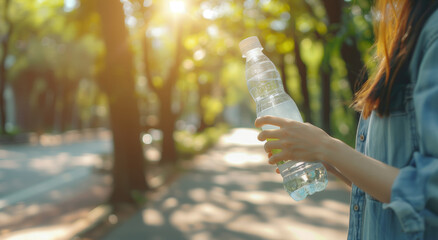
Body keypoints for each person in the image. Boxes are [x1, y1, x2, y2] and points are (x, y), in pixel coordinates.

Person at [254, 0, 438, 239]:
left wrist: (327, 147)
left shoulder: (432, 36)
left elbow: (430, 192)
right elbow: (390, 193)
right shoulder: (406, 35)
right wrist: (332, 162)